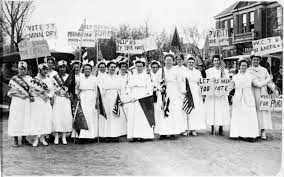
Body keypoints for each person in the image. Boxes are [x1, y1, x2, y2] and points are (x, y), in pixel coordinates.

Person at [230, 59, 272, 141]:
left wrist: (268, 79)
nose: (243, 67)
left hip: (248, 99)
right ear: (239, 66)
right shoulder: (235, 77)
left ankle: (250, 135)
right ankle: (238, 134)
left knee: (248, 117)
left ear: (247, 66)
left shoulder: (251, 76)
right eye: (242, 65)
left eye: (245, 65)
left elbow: (259, 84)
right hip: (238, 99)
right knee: (239, 116)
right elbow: (230, 87)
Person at [247, 55, 278, 140]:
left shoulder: (264, 70)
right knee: (255, 112)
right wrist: (268, 80)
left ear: (259, 60)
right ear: (251, 60)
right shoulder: (248, 70)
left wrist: (274, 89)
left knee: (263, 112)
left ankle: (263, 131)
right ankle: (255, 131)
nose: (255, 61)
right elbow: (254, 83)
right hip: (253, 93)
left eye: (257, 60)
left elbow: (269, 82)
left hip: (263, 93)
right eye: (254, 60)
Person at [157, 53, 186, 140]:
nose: (168, 61)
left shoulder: (176, 71)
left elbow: (180, 83)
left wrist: (182, 92)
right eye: (167, 60)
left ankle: (173, 132)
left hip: (173, 93)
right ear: (164, 61)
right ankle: (163, 132)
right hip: (163, 93)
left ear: (173, 61)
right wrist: (159, 88)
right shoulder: (160, 71)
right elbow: (155, 81)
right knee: (163, 112)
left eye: (170, 60)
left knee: (172, 112)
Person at [127, 58, 154, 142]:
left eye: (141, 66)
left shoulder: (146, 77)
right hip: (134, 98)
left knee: (142, 117)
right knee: (134, 117)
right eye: (137, 66)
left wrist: (146, 96)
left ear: (143, 67)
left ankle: (143, 135)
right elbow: (128, 87)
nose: (139, 68)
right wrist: (130, 96)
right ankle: (134, 135)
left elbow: (149, 87)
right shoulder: (131, 77)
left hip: (143, 98)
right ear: (135, 67)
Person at [7, 61, 34, 147]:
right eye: (21, 69)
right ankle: (15, 139)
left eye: (24, 69)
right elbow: (9, 93)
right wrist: (20, 95)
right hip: (17, 102)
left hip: (26, 102)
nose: (22, 70)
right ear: (18, 69)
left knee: (25, 119)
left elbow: (32, 90)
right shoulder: (14, 79)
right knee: (16, 119)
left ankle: (24, 138)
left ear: (27, 69)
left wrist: (31, 96)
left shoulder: (30, 78)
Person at [99, 60, 127, 142]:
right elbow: (101, 89)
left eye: (114, 67)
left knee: (115, 116)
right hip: (107, 98)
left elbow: (122, 89)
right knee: (108, 116)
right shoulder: (104, 77)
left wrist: (122, 99)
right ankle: (107, 135)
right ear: (107, 68)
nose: (113, 69)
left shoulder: (118, 78)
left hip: (116, 98)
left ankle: (115, 135)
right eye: (111, 67)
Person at [204, 54, 230, 135]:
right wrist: (212, 80)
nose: (216, 62)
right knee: (212, 109)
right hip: (213, 94)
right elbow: (207, 81)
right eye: (215, 60)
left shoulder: (224, 71)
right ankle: (212, 126)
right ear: (213, 62)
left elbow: (227, 81)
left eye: (218, 60)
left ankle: (221, 127)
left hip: (221, 94)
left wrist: (223, 75)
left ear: (220, 61)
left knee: (221, 110)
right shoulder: (209, 71)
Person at [72, 61, 98, 140]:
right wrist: (77, 95)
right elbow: (76, 88)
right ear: (83, 70)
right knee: (82, 116)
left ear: (91, 70)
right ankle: (82, 135)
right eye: (86, 69)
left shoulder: (94, 79)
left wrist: (96, 99)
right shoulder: (80, 78)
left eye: (89, 69)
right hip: (82, 97)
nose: (87, 70)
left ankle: (91, 135)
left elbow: (96, 90)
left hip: (91, 97)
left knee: (90, 115)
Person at [29, 63, 53, 147]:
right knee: (37, 119)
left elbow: (51, 91)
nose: (45, 71)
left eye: (46, 69)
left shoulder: (49, 80)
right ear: (40, 70)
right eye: (43, 69)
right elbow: (31, 91)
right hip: (37, 101)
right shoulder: (34, 80)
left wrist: (48, 96)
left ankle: (42, 137)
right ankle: (36, 138)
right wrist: (39, 94)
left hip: (45, 101)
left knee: (45, 118)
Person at [52, 60, 73, 145]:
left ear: (66, 68)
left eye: (64, 67)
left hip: (65, 99)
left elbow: (72, 89)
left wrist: (69, 95)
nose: (62, 69)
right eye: (60, 67)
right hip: (58, 98)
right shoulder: (55, 77)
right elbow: (52, 88)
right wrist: (56, 93)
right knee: (57, 116)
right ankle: (56, 136)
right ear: (58, 68)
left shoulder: (69, 77)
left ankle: (64, 136)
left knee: (65, 116)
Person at [185, 57, 207, 136]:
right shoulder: (184, 71)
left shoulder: (197, 72)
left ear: (194, 64)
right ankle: (187, 128)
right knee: (187, 109)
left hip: (196, 92)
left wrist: (203, 92)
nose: (191, 64)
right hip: (187, 91)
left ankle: (193, 128)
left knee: (195, 110)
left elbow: (201, 82)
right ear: (187, 63)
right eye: (189, 62)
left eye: (192, 62)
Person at [174, 54, 188, 135]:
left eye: (180, 59)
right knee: (177, 110)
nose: (179, 61)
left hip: (183, 91)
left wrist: (185, 90)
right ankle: (177, 128)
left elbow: (187, 81)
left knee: (184, 110)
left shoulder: (185, 69)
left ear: (183, 60)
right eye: (177, 59)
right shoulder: (174, 69)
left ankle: (184, 128)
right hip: (175, 92)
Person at [149, 60, 162, 134]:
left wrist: (157, 88)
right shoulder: (148, 75)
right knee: (151, 111)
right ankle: (151, 126)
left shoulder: (160, 75)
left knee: (157, 111)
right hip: (150, 94)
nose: (154, 69)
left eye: (156, 67)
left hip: (157, 94)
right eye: (153, 67)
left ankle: (157, 126)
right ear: (151, 68)